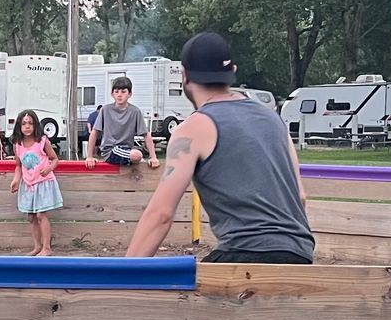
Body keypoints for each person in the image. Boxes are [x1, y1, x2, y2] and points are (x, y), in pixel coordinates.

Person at [125, 32, 314, 264]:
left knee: (179, 286)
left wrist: (122, 274)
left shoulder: (192, 129)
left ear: (184, 76)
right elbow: (300, 197)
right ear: (232, 70)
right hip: (300, 254)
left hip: (245, 254)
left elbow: (161, 214)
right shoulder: (273, 119)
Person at [8, 107, 64, 255]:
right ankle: (37, 246)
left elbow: (55, 159)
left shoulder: (42, 141)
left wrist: (48, 169)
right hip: (28, 184)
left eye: (30, 123)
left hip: (43, 183)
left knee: (41, 214)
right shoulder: (17, 145)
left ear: (35, 125)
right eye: (24, 123)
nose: (27, 126)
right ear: (19, 126)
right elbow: (18, 165)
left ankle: (47, 248)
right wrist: (16, 180)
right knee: (31, 217)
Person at [86, 77, 160, 170]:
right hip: (110, 150)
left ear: (130, 94)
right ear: (112, 94)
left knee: (138, 156)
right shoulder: (106, 110)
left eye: (123, 92)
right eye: (116, 92)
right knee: (137, 155)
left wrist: (153, 157)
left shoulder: (135, 111)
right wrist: (90, 156)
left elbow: (146, 135)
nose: (119, 95)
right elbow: (95, 132)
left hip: (127, 149)